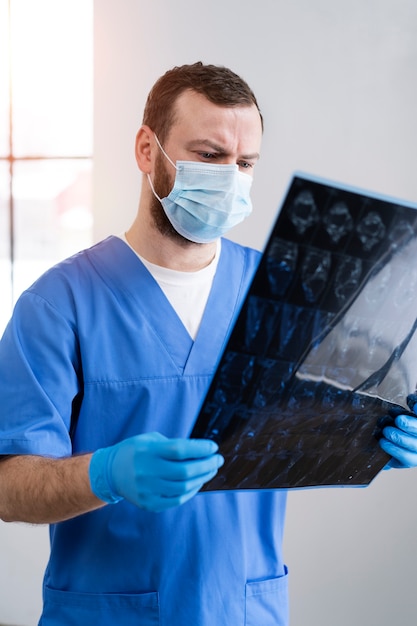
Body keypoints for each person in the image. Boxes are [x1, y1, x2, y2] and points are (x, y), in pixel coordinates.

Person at [0, 62, 416, 626]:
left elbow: (302, 429)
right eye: (210, 155)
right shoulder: (58, 305)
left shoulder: (284, 295)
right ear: (147, 149)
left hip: (243, 609)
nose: (230, 177)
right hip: (109, 613)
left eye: (245, 163)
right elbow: (8, 487)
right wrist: (106, 473)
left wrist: (372, 438)